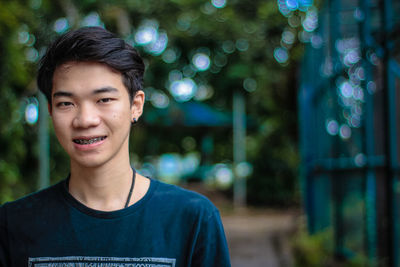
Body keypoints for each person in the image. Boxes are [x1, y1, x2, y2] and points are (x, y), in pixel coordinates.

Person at [0, 26, 231, 267]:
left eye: (104, 100)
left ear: (136, 105)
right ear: (50, 111)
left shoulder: (192, 219)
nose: (85, 120)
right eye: (66, 103)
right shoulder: (13, 223)